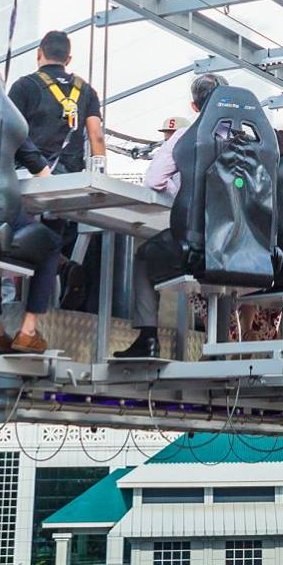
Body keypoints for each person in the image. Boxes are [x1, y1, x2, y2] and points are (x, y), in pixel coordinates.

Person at [0, 31, 104, 355]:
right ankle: (29, 329)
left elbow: (9, 129)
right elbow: (96, 137)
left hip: (19, 181)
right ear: (69, 59)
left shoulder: (24, 86)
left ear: (39, 53)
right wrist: (98, 176)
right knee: (49, 246)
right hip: (63, 185)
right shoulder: (86, 90)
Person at [113, 72, 221, 360]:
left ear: (194, 107)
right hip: (237, 246)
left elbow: (154, 180)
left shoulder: (188, 136)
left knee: (145, 256)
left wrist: (183, 194)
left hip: (196, 243)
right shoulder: (246, 137)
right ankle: (219, 345)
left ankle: (148, 338)